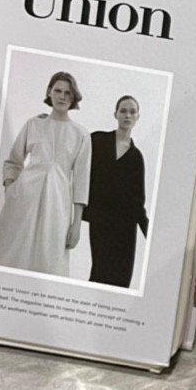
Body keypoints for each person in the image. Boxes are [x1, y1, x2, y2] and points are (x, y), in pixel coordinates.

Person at [0, 71, 91, 276]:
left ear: (74, 97)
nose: (62, 96)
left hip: (57, 205)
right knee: (9, 259)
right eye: (58, 91)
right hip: (23, 200)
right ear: (49, 92)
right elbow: (13, 161)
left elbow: (82, 181)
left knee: (50, 264)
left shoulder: (81, 134)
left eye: (68, 93)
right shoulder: (34, 124)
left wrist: (76, 224)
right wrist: (11, 189)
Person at [85, 95, 148, 287]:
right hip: (101, 221)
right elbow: (73, 149)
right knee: (99, 273)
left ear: (137, 117)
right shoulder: (97, 140)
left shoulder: (136, 157)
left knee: (121, 279)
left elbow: (138, 201)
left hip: (126, 227)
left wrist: (149, 233)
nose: (127, 115)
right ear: (116, 114)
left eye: (132, 112)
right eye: (123, 111)